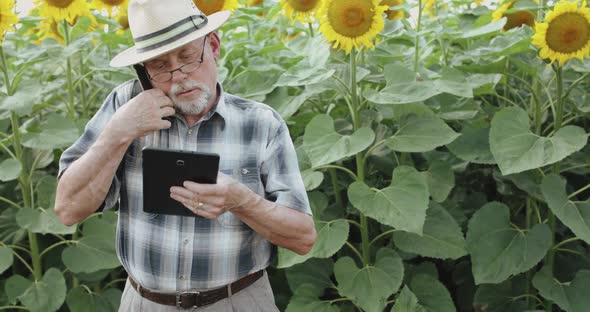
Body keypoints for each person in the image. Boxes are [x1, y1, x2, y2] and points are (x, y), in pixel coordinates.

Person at [54, 0, 316, 310]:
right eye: (160, 66)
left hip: (237, 301)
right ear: (143, 71)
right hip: (145, 303)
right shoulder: (124, 106)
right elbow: (68, 209)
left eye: (188, 56)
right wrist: (118, 133)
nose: (179, 75)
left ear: (214, 46)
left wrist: (242, 202)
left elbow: (303, 238)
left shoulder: (261, 123)